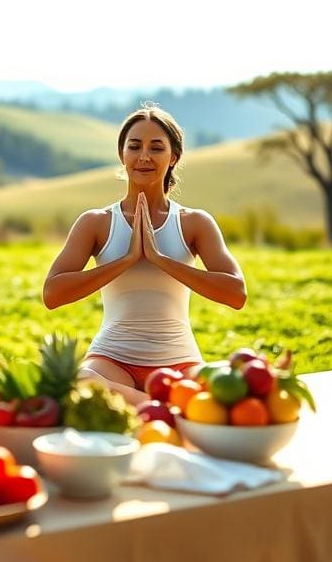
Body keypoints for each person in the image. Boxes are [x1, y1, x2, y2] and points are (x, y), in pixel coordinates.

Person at [43, 105, 247, 406]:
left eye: (156, 148)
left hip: (179, 361)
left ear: (173, 156)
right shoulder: (96, 222)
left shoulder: (194, 222)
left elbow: (236, 294)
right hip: (112, 360)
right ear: (122, 154)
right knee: (81, 380)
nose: (144, 157)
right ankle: (161, 407)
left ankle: (139, 406)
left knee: (228, 391)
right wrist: (125, 260)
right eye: (135, 146)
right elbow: (52, 294)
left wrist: (161, 259)